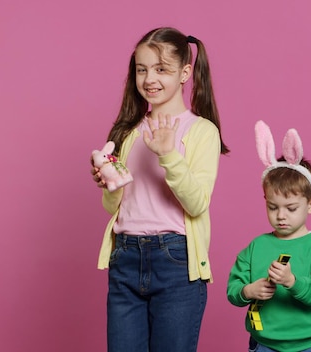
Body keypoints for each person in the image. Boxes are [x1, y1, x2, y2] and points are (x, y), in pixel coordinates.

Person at [90, 27, 229, 352]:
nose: (149, 78)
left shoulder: (201, 131)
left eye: (161, 69)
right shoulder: (128, 131)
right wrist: (109, 181)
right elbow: (115, 207)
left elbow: (196, 203)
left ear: (184, 73)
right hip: (125, 256)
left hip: (176, 261)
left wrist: (167, 153)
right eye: (142, 69)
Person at [227, 121, 311, 352]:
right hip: (264, 345)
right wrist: (247, 291)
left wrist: (292, 282)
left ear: (310, 205)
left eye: (291, 208)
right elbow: (233, 288)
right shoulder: (256, 246)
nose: (281, 216)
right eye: (273, 207)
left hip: (308, 344)